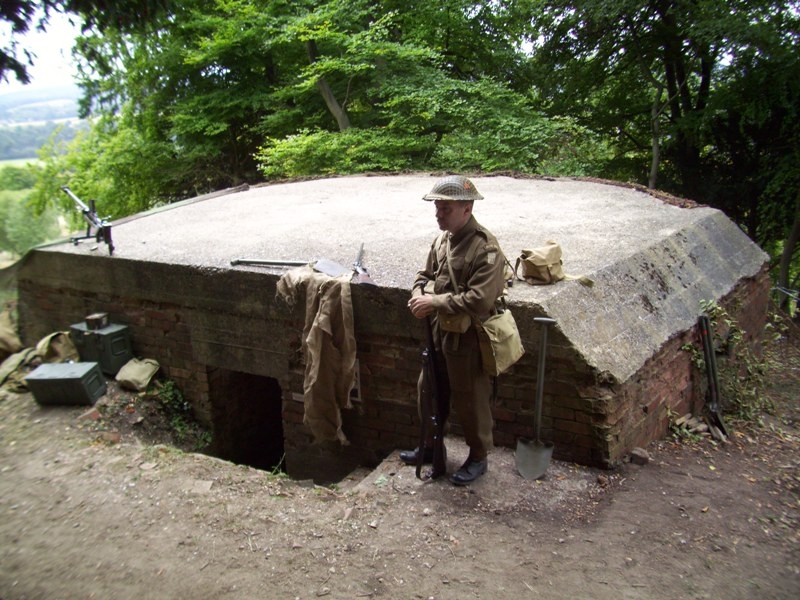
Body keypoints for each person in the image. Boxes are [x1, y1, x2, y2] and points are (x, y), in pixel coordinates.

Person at [400, 175, 507, 485]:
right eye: (437, 207)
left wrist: (434, 301)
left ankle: (478, 457)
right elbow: (424, 275)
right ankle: (431, 448)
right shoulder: (442, 241)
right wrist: (419, 292)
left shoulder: (484, 248)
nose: (438, 214)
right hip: (437, 334)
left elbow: (479, 299)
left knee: (471, 399)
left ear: (467, 208)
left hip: (468, 339)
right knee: (428, 392)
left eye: (445, 208)